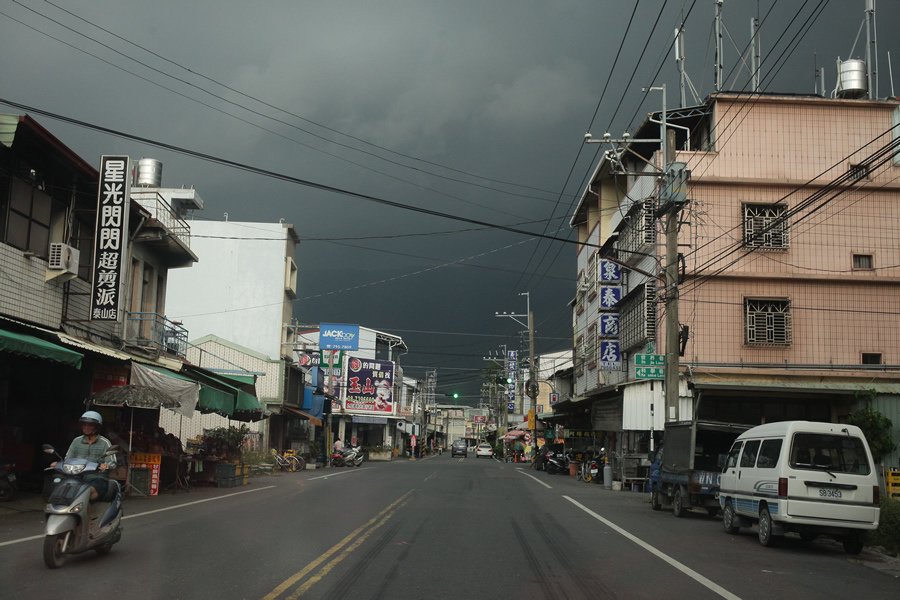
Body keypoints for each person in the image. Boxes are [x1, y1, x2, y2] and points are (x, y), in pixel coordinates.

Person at [52, 411, 117, 501]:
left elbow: (112, 462)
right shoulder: (76, 441)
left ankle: (89, 513)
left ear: (97, 427)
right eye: (84, 425)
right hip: (76, 476)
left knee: (88, 493)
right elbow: (68, 459)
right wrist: (59, 464)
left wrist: (106, 465)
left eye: (90, 425)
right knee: (60, 487)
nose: (86, 427)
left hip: (96, 477)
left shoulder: (105, 442)